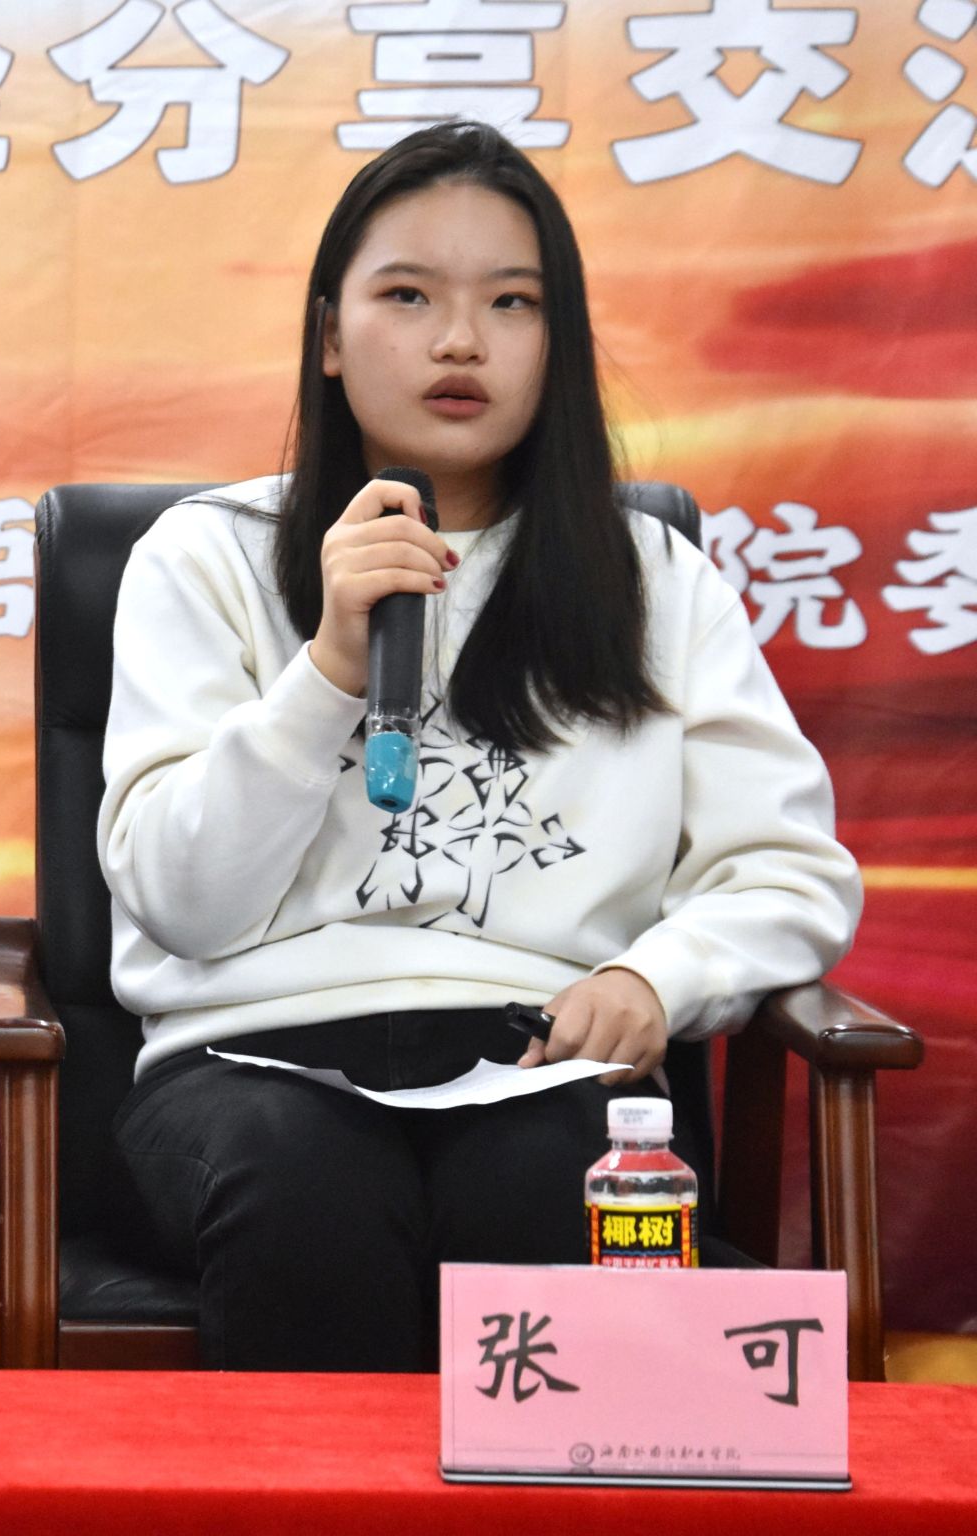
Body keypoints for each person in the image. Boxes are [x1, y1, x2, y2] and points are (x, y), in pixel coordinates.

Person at [98, 121, 861, 1372]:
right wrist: (326, 669)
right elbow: (181, 900)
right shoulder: (206, 556)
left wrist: (653, 982)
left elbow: (784, 870)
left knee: (548, 1187)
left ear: (557, 342)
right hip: (246, 1069)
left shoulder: (652, 581)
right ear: (329, 335)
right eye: (407, 296)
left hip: (542, 1055)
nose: (460, 342)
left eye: (511, 302)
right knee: (304, 1189)